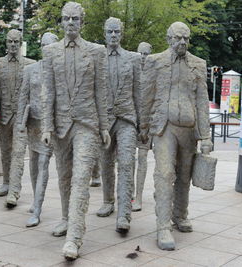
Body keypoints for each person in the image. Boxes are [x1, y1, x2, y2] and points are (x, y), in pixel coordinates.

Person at [41, 2, 110, 260]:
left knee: (81, 178)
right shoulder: (50, 52)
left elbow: (101, 92)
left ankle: (74, 238)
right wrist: (47, 126)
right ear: (61, 22)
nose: (70, 23)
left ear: (82, 22)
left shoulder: (96, 52)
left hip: (86, 124)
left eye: (75, 19)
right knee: (65, 177)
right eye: (66, 18)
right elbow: (47, 92)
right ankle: (66, 218)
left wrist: (104, 126)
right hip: (60, 126)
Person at [139, 22, 212, 250]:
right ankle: (163, 226)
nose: (182, 42)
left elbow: (202, 101)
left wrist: (206, 136)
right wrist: (143, 127)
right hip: (164, 126)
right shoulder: (155, 62)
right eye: (178, 38)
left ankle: (180, 214)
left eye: (186, 38)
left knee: (184, 175)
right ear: (169, 38)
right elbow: (146, 96)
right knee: (165, 173)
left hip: (189, 127)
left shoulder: (198, 65)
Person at [6, 32, 59, 226]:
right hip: (33, 124)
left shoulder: (59, 72)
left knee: (43, 164)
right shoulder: (31, 70)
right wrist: (20, 123)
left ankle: (37, 209)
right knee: (33, 164)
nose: (46, 49)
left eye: (50, 45)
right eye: (44, 45)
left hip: (49, 126)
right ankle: (37, 200)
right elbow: (23, 97)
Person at [96, 17, 141, 234]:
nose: (113, 35)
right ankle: (108, 200)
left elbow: (139, 93)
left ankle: (124, 213)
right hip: (104, 121)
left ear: (121, 33)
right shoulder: (96, 58)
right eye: (109, 32)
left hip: (126, 120)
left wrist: (142, 124)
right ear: (104, 34)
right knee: (105, 163)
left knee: (126, 164)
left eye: (116, 32)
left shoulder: (133, 59)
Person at [0, 29, 35, 205]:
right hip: (4, 117)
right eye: (10, 41)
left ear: (21, 43)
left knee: (18, 152)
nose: (13, 45)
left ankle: (14, 192)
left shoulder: (30, 64)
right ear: (6, 43)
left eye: (16, 42)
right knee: (5, 152)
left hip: (22, 117)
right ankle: (6, 182)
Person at [132, 41, 152, 212]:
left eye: (146, 54)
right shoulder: (133, 71)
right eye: (141, 53)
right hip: (133, 122)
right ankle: (130, 193)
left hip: (148, 123)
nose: (143, 57)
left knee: (143, 158)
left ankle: (139, 196)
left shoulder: (154, 73)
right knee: (128, 159)